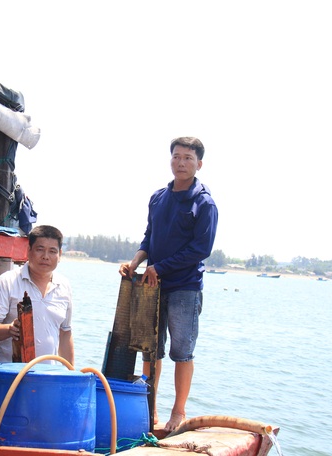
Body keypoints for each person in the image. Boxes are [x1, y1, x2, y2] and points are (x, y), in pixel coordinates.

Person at [119, 136, 218, 432]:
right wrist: (135, 262)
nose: (181, 162)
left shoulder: (205, 203)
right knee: (150, 350)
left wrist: (159, 267)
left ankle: (178, 411)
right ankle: (148, 409)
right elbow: (150, 237)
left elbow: (201, 249)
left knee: (182, 351)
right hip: (152, 285)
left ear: (199, 164)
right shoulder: (158, 197)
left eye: (188, 158)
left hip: (185, 287)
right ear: (170, 159)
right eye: (177, 156)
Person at [0, 225, 74, 365]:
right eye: (40, 249)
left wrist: (71, 375)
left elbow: (65, 333)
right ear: (29, 251)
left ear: (60, 255)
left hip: (48, 377)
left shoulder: (64, 286)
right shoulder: (7, 281)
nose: (45, 256)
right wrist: (10, 329)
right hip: (9, 374)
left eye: (52, 251)